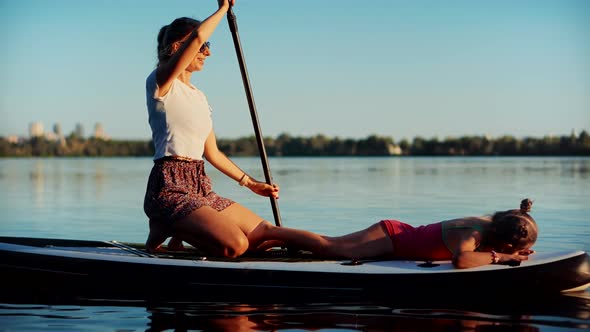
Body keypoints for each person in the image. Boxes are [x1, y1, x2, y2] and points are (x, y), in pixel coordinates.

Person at [143, 0, 280, 257]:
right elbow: (196, 38)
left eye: (208, 46)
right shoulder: (160, 82)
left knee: (254, 241)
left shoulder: (199, 97)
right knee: (237, 245)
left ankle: (176, 232)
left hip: (198, 182)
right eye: (205, 46)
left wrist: (250, 183)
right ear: (177, 47)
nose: (208, 52)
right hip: (169, 181)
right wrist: (224, 9)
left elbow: (213, 153)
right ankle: (171, 226)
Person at [246, 198, 538, 269]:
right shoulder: (472, 234)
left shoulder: (489, 225)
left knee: (330, 245)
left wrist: (509, 251)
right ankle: (269, 231)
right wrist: (503, 258)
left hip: (395, 236)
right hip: (391, 238)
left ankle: (277, 238)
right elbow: (462, 261)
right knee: (330, 248)